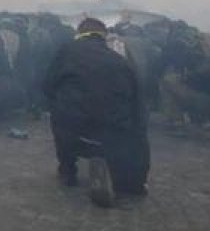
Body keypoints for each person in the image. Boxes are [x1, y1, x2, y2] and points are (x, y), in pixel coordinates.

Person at [44, 17, 149, 209]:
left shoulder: (66, 51)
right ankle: (129, 182)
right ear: (104, 37)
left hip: (76, 125)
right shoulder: (120, 61)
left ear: (79, 33)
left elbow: (49, 84)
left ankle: (68, 171)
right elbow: (137, 98)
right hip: (113, 128)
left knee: (60, 116)